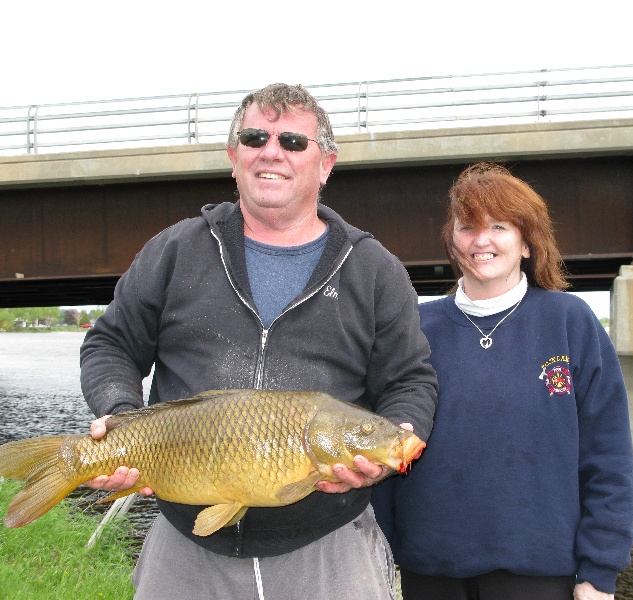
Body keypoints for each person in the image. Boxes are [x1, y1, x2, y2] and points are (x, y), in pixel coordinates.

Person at [79, 83, 438, 600]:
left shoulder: (373, 269)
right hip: (186, 545)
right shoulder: (176, 250)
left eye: (293, 141)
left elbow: (409, 379)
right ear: (233, 157)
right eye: (255, 137)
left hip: (329, 545)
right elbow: (109, 345)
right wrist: (119, 413)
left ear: (326, 163)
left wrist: (394, 438)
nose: (272, 152)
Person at [372, 162, 633, 600]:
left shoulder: (570, 322)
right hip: (431, 570)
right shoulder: (415, 328)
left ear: (527, 243)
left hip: (539, 572)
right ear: (453, 242)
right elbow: (383, 441)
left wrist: (599, 572)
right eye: (467, 227)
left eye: (499, 226)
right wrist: (378, 554)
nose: (482, 240)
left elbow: (607, 457)